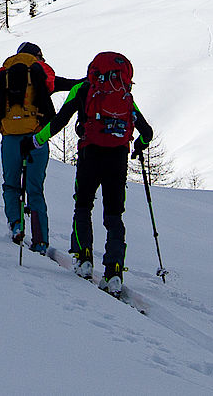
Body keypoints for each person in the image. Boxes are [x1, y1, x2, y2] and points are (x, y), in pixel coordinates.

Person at [35, 51, 153, 295]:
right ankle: (115, 270)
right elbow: (146, 131)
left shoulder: (82, 88)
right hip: (118, 157)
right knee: (114, 214)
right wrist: (139, 145)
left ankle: (83, 257)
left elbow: (60, 121)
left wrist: (36, 140)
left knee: (83, 205)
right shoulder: (124, 93)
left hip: (90, 154)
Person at [0, 42, 79, 253]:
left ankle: (16, 225)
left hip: (10, 137)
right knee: (35, 189)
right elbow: (64, 93)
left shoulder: (0, 75)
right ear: (37, 56)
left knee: (11, 185)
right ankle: (40, 240)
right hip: (36, 138)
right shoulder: (40, 74)